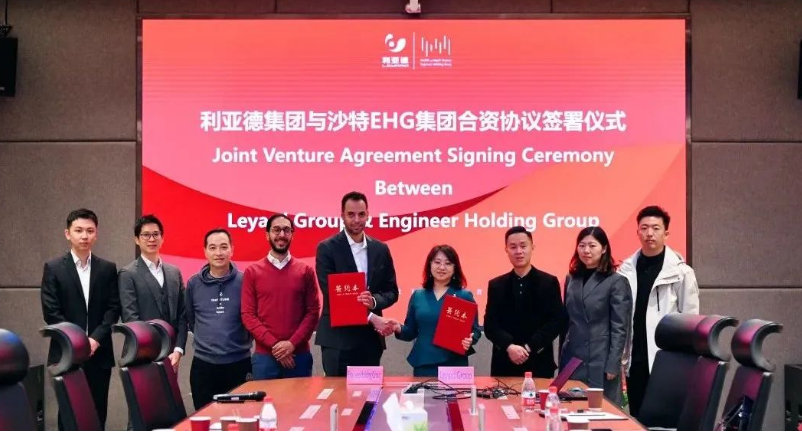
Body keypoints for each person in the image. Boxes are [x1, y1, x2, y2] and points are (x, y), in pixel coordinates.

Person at [40, 208, 120, 429]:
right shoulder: (53, 268)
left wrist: (94, 339)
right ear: (68, 234)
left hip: (99, 352)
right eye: (78, 230)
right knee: (68, 415)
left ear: (96, 234)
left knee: (97, 414)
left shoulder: (107, 269)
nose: (84, 236)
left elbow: (113, 309)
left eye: (89, 231)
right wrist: (77, 342)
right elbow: (51, 312)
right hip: (66, 353)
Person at [618, 206, 699, 418]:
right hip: (635, 356)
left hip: (667, 358)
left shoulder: (681, 273)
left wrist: (685, 361)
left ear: (666, 233)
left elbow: (690, 321)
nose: (649, 233)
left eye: (655, 228)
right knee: (637, 416)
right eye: (644, 228)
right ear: (637, 232)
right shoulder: (625, 270)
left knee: (664, 419)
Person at [315, 191, 399, 376]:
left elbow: (392, 291)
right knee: (337, 392)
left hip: (370, 341)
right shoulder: (327, 248)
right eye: (351, 214)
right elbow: (333, 294)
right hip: (338, 339)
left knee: (369, 393)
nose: (356, 220)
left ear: (368, 214)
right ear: (342, 216)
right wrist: (372, 318)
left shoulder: (380, 249)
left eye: (361, 214)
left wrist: (373, 301)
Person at [241, 214, 320, 379]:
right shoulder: (252, 272)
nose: (282, 235)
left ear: (292, 234)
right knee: (264, 398)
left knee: (300, 398)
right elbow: (248, 315)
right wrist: (276, 346)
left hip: (299, 357)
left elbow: (313, 312)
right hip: (264, 359)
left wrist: (291, 344)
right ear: (267, 235)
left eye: (286, 230)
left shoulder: (305, 271)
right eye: (276, 230)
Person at [560, 227, 632, 406]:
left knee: (602, 411)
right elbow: (567, 321)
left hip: (601, 358)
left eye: (592, 245)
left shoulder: (616, 281)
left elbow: (620, 327)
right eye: (582, 245)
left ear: (604, 248)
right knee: (572, 408)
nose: (586, 250)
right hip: (573, 358)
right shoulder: (571, 279)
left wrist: (614, 363)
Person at [484, 226, 568, 378]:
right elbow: (490, 324)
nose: (519, 251)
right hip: (504, 363)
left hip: (539, 362)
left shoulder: (549, 282)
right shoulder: (496, 285)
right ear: (506, 250)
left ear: (532, 247)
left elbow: (557, 321)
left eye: (523, 246)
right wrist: (509, 346)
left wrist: (529, 347)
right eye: (513, 247)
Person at [389, 245, 482, 377]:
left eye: (448, 263)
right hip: (424, 362)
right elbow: (410, 332)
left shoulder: (464, 296)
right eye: (437, 262)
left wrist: (470, 340)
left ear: (455, 268)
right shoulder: (418, 296)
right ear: (430, 265)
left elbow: (475, 330)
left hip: (454, 363)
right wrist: (397, 328)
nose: (442, 267)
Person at [185, 228, 252, 410]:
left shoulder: (245, 281)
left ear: (232, 250)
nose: (218, 253)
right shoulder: (193, 284)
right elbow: (191, 319)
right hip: (203, 366)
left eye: (223, 247)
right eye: (213, 248)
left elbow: (252, 318)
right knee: (205, 418)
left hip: (239, 364)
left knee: (239, 417)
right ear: (205, 251)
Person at [119, 214, 188, 372]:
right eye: (146, 235)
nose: (151, 239)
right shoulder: (127, 274)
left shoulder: (174, 272)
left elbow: (183, 315)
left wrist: (178, 349)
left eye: (156, 234)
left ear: (162, 238)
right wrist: (152, 351)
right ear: (137, 239)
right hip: (141, 354)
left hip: (171, 356)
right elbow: (131, 318)